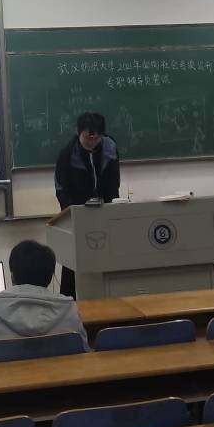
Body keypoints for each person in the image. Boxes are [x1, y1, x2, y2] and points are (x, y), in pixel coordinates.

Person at [0, 240, 88, 362]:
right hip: (60, 386)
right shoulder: (69, 309)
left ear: (12, 275)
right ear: (50, 277)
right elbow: (84, 352)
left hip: (0, 387)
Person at [54, 111, 120, 297]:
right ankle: (69, 301)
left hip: (104, 214)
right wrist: (73, 213)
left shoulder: (109, 148)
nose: (92, 142)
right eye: (87, 138)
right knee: (73, 261)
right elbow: (61, 188)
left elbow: (114, 182)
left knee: (105, 256)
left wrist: (111, 207)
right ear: (78, 132)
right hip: (76, 215)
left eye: (96, 138)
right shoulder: (67, 154)